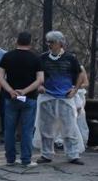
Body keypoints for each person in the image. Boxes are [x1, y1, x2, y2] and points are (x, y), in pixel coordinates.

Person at [34, 30, 85, 165]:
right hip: (47, 96)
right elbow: (37, 75)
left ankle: (73, 155)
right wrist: (39, 85)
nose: (49, 45)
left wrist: (75, 89)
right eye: (48, 42)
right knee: (46, 128)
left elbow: (80, 75)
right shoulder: (42, 58)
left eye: (52, 42)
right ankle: (46, 154)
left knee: (69, 127)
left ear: (60, 43)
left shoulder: (70, 58)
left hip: (65, 97)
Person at [0, 31, 43, 167]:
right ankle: (26, 160)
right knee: (27, 130)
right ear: (30, 43)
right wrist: (24, 91)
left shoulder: (7, 56)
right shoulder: (36, 58)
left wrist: (11, 90)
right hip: (29, 98)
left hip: (10, 98)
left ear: (17, 41)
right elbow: (40, 79)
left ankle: (10, 159)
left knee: (9, 130)